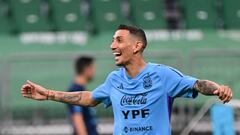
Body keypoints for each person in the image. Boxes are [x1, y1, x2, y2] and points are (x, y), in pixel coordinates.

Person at [21, 24, 233, 135]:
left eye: (119, 40)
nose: (112, 46)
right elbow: (89, 97)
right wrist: (48, 94)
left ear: (137, 46)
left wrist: (217, 89)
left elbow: (197, 84)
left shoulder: (162, 75)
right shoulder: (114, 80)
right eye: (112, 40)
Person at [67, 56, 98, 135]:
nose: (94, 71)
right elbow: (77, 118)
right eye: (93, 68)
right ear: (87, 69)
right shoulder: (75, 90)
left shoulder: (81, 89)